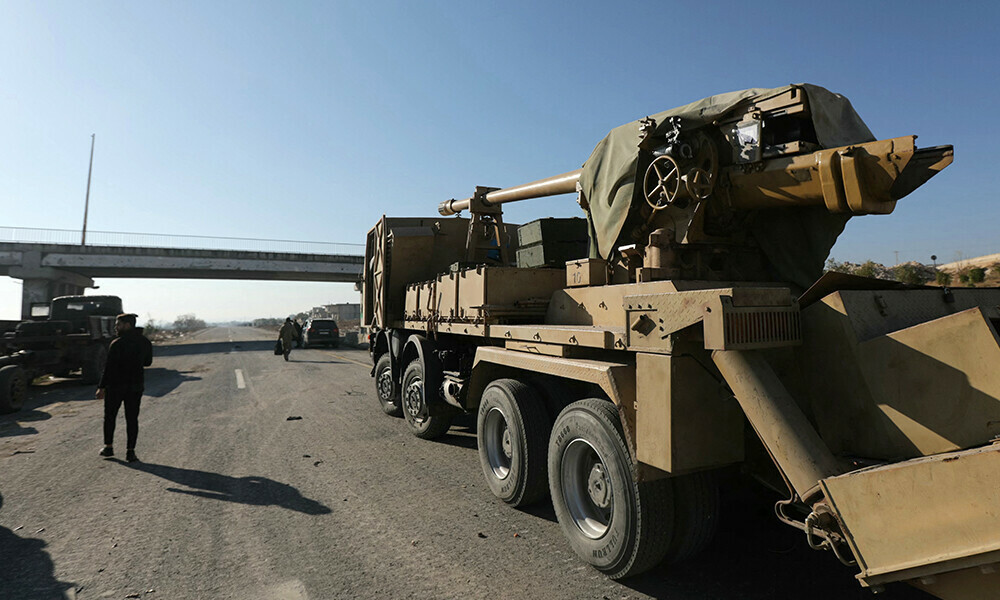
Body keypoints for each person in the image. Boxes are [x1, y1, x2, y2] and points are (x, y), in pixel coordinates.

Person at [96, 313, 153, 462]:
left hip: (115, 386)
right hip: (136, 386)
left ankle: (108, 447)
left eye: (118, 324)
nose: (116, 327)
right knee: (132, 419)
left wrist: (101, 387)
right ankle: (130, 452)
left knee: (110, 416)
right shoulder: (145, 342)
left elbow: (108, 368)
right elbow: (148, 363)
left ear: (127, 325)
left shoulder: (117, 343)